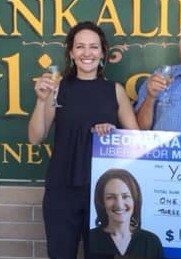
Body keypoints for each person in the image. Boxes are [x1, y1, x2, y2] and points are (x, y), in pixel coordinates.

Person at [28, 21, 139, 258]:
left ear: (102, 53)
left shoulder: (115, 90)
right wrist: (40, 101)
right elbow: (36, 137)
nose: (86, 53)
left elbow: (137, 142)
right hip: (61, 190)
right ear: (71, 53)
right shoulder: (57, 89)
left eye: (93, 47)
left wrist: (113, 132)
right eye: (80, 47)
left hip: (104, 194)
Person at [90, 168, 164, 258]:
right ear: (102, 202)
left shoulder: (151, 242)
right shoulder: (90, 239)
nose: (119, 205)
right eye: (111, 197)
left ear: (135, 200)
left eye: (125, 196)